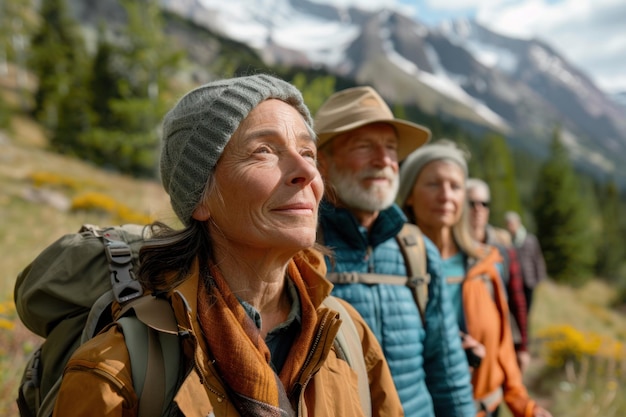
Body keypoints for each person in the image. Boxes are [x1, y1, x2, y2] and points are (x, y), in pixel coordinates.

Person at [52, 74, 402, 417]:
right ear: (200, 198)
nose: (306, 172)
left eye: (308, 152)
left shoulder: (348, 334)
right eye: (263, 150)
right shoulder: (118, 369)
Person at [314, 86, 475, 417]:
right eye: (364, 146)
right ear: (321, 162)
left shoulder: (417, 251)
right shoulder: (297, 249)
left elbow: (446, 368)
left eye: (390, 148)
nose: (384, 160)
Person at [397, 140, 552, 417]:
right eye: (433, 184)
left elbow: (503, 347)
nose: (446, 195)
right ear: (408, 194)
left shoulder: (486, 265)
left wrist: (522, 404)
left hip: (486, 409)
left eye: (456, 187)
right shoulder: (393, 269)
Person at [466, 178, 530, 374]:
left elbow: (517, 298)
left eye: (484, 203)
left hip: (499, 349)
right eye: (472, 203)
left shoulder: (502, 250)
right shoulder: (449, 249)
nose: (478, 209)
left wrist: (523, 346)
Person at [504, 211, 548, 314]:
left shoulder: (530, 240)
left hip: (528, 281)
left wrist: (540, 278)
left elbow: (538, 259)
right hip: (514, 281)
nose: (510, 227)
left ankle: (525, 329)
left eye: (512, 224)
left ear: (518, 223)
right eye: (508, 224)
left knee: (527, 310)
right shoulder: (507, 241)